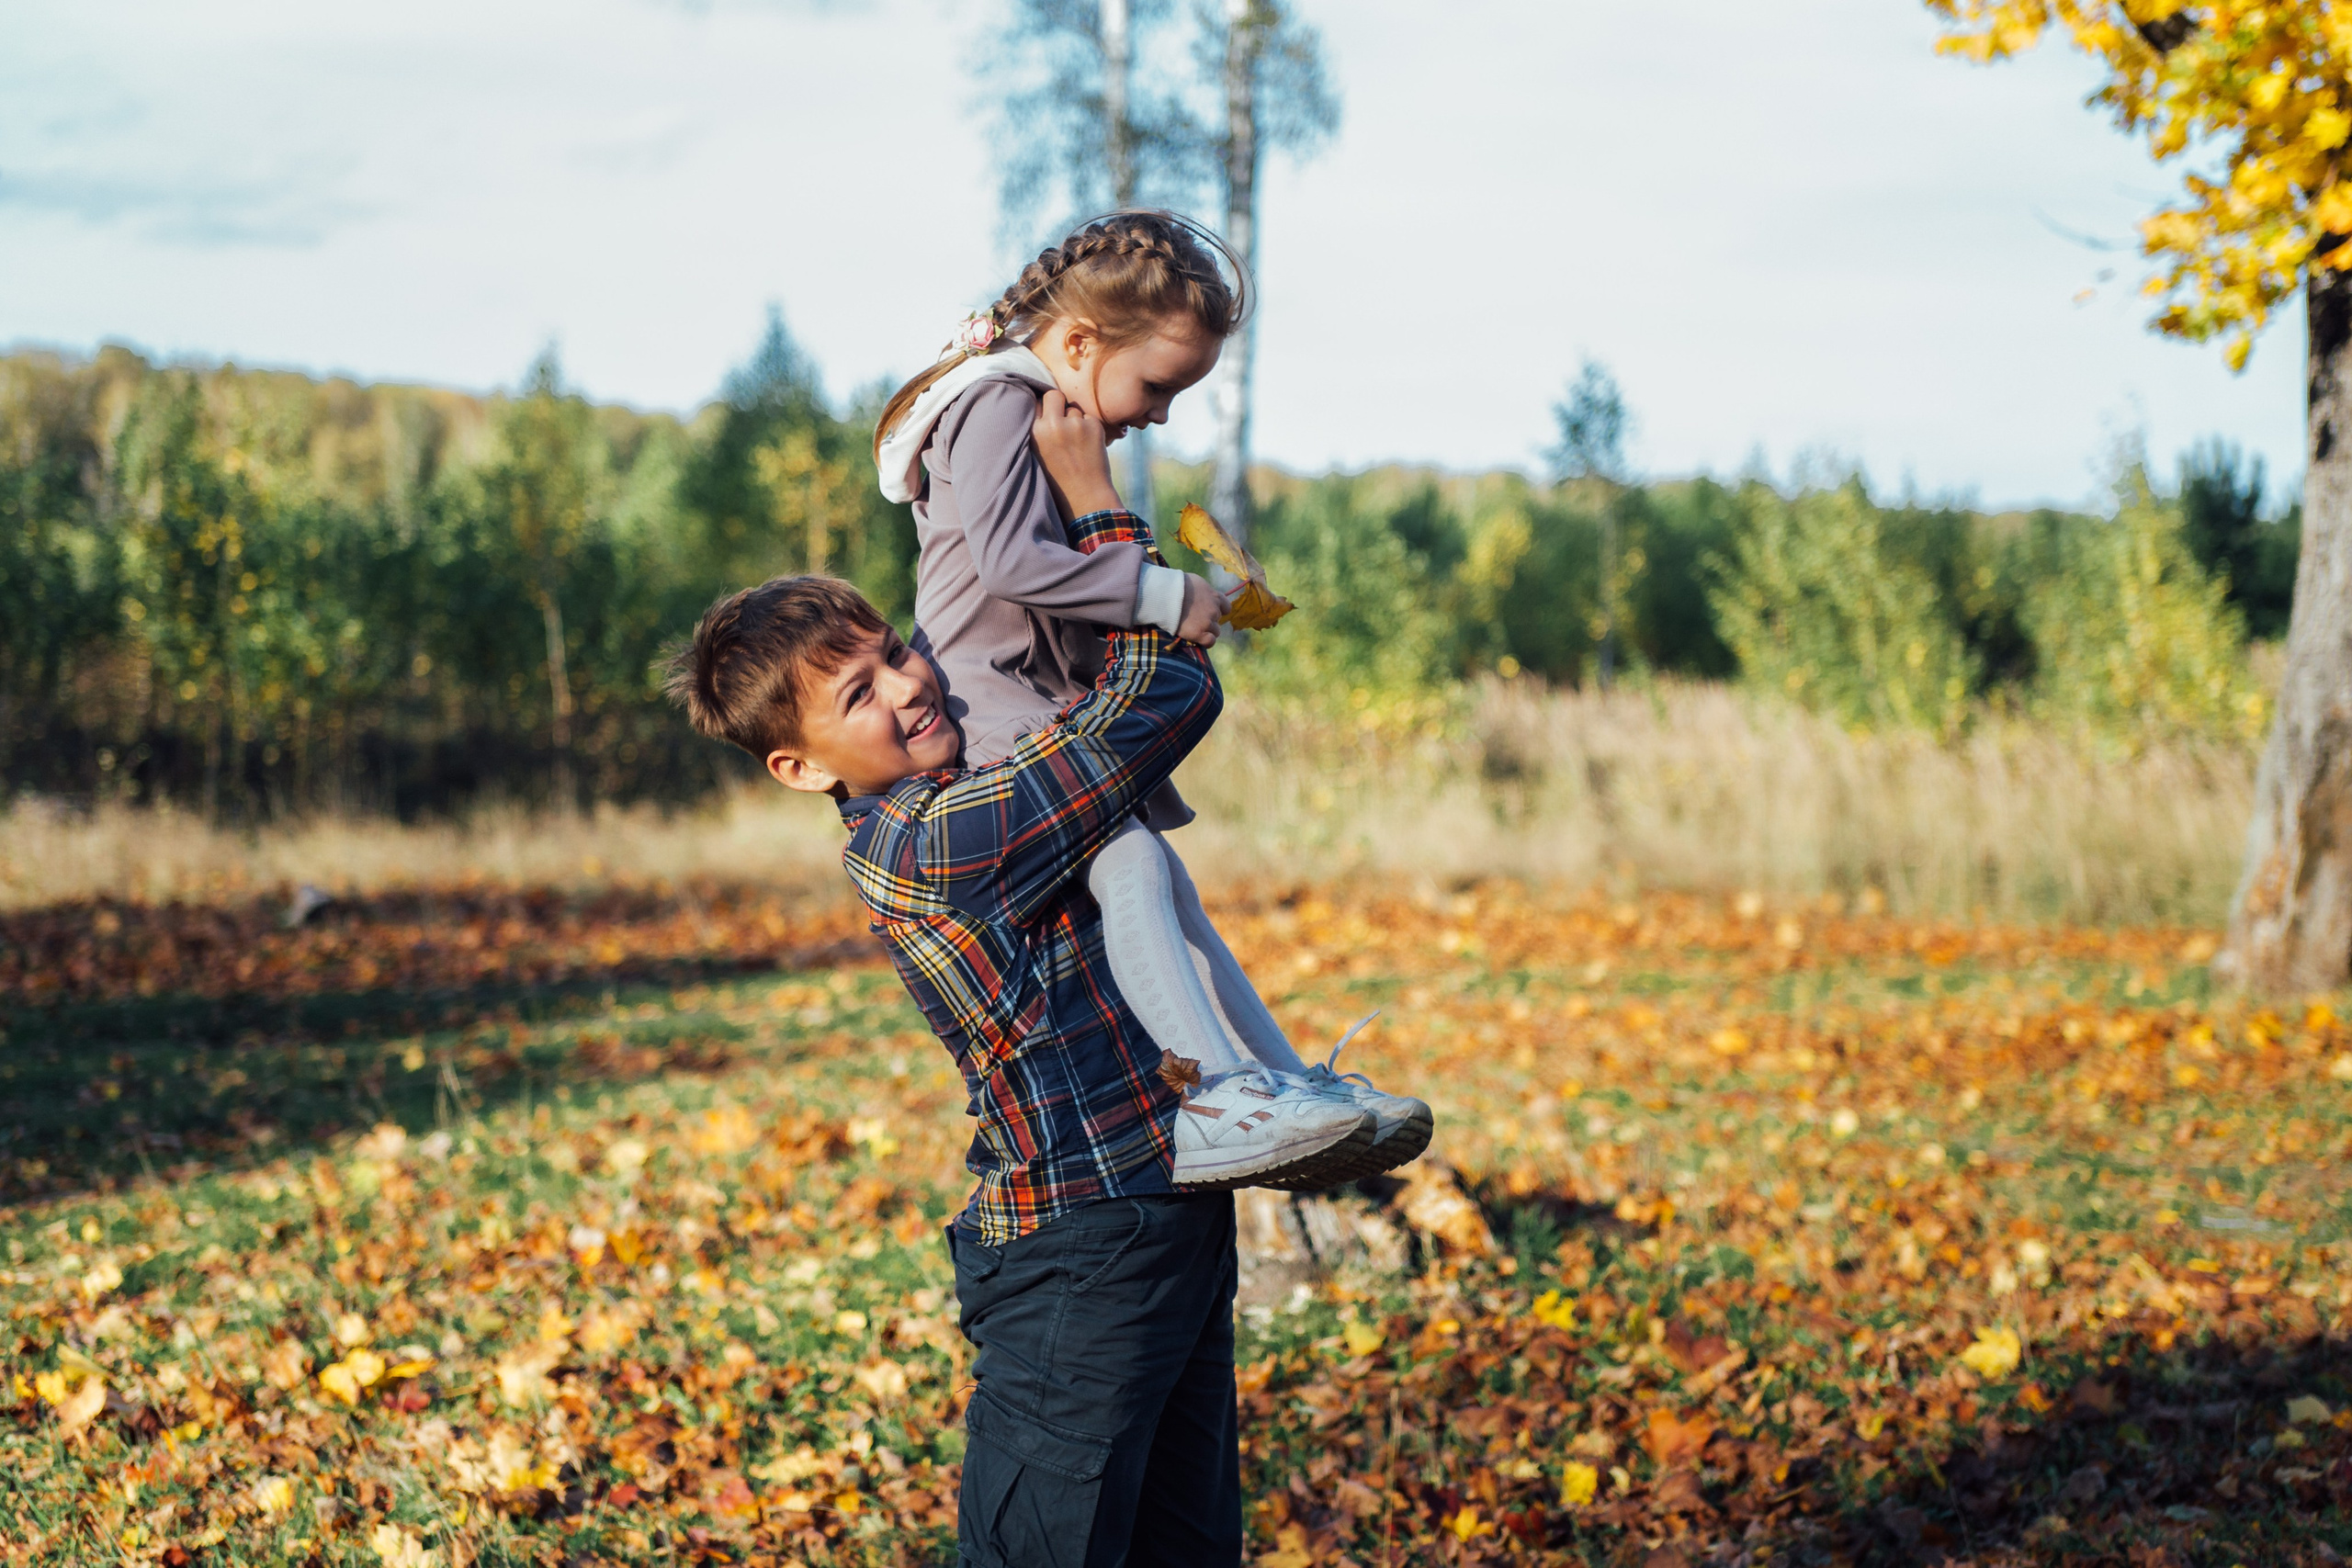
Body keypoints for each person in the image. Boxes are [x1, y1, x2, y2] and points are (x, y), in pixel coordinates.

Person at [663, 412, 1272, 1564]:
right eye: (858, 695)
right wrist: (1104, 520)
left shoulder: (975, 782)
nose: (909, 681)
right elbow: (1163, 704)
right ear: (798, 769)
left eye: (895, 648)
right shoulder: (931, 842)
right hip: (1078, 1255)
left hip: (1171, 1210)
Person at [870, 208, 1429, 1188]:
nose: (1161, 414)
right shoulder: (996, 400)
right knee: (1128, 861)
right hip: (989, 699)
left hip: (1041, 694)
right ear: (1080, 342)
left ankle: (1285, 1085)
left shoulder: (1046, 404)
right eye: (1158, 385)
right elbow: (1009, 562)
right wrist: (1163, 593)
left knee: (1166, 885)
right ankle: (1213, 1097)